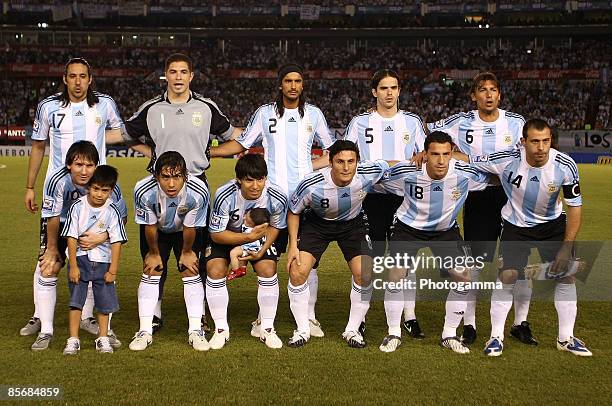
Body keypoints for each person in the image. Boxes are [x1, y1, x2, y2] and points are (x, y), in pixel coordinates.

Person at [210, 63, 335, 338]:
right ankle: (262, 320)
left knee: (306, 260)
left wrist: (310, 168)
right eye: (288, 81)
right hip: (269, 200)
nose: (293, 85)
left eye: (298, 81)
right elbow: (242, 144)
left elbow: (333, 150)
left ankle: (309, 318)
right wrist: (209, 152)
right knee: (265, 257)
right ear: (281, 85)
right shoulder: (265, 113)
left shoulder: (314, 114)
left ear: (303, 85)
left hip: (306, 200)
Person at [122, 53, 240, 333]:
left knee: (195, 254)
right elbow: (127, 134)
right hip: (159, 186)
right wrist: (149, 153)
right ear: (166, 75)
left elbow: (234, 138)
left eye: (183, 72)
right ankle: (154, 311)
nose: (178, 77)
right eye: (172, 72)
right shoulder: (151, 108)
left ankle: (198, 315)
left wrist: (209, 153)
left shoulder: (206, 107)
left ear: (191, 76)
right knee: (154, 250)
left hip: (196, 188)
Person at [462, 119, 591, 357]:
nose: (541, 147)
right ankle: (496, 337)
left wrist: (567, 246)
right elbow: (467, 159)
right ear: (523, 142)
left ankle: (565, 338)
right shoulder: (506, 159)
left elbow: (575, 207)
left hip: (552, 225)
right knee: (508, 275)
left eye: (546, 141)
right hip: (515, 224)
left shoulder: (565, 165)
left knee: (567, 276)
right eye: (535, 141)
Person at [22, 57, 126, 337]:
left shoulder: (104, 104)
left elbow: (120, 131)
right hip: (59, 193)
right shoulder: (48, 107)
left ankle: (88, 317)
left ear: (90, 79)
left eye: (83, 76)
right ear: (64, 79)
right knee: (48, 254)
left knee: (93, 255)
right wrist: (30, 186)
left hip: (95, 193)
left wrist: (101, 141)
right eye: (72, 76)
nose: (78, 82)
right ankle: (38, 316)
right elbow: (38, 146)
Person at [426, 71, 532, 346]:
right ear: (474, 95)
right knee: (474, 264)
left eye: (493, 89)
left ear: (499, 94)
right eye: (482, 90)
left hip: (514, 197)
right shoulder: (461, 122)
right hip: (478, 198)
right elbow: (426, 129)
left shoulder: (516, 122)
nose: (488, 94)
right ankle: (469, 325)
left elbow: (527, 153)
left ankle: (520, 323)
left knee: (517, 264)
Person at [377, 132, 489, 353]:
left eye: (446, 154)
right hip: (408, 228)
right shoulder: (407, 172)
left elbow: (493, 176)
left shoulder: (465, 174)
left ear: (452, 153)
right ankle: (393, 333)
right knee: (395, 274)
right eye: (434, 154)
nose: (440, 160)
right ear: (424, 154)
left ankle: (449, 334)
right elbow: (378, 176)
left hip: (444, 231)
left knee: (463, 278)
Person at [344, 69, 427, 339]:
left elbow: (425, 153)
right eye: (383, 88)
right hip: (368, 198)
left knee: (405, 260)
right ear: (374, 92)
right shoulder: (360, 122)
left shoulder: (412, 122)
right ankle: (361, 317)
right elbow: (347, 152)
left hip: (403, 198)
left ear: (399, 91)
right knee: (367, 261)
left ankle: (409, 316)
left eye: (393, 88)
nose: (389, 93)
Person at [286, 140, 390, 348]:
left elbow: (390, 163)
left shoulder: (368, 172)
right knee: (297, 271)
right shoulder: (311, 183)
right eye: (340, 161)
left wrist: (418, 158)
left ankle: (352, 330)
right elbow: (294, 211)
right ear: (330, 163)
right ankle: (302, 329)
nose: (346, 167)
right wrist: (293, 246)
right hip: (317, 224)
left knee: (365, 272)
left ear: (357, 162)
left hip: (353, 225)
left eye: (351, 161)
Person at [29, 141, 127, 351]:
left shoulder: (107, 183)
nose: (84, 171)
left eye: (89, 165)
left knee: (102, 271)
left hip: (96, 232)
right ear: (68, 166)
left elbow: (122, 217)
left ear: (96, 166)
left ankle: (100, 327)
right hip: (60, 227)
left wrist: (101, 238)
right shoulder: (57, 180)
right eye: (78, 165)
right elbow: (52, 217)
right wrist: (52, 249)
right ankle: (46, 330)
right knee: (49, 267)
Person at [129, 151, 210, 352]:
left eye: (177, 177)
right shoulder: (143, 190)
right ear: (156, 177)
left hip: (186, 230)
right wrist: (154, 252)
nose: (171, 184)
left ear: (186, 176)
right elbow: (149, 226)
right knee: (152, 268)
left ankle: (195, 330)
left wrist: (187, 251)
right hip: (157, 229)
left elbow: (192, 227)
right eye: (165, 177)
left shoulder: (199, 191)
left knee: (189, 268)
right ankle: (145, 330)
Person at [205, 153, 287, 350]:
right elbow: (216, 234)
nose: (255, 186)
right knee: (215, 269)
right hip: (228, 237)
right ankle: (221, 330)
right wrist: (248, 238)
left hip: (259, 240)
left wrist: (262, 250)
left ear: (266, 178)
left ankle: (266, 328)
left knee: (268, 269)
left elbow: (276, 227)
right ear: (239, 180)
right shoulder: (225, 194)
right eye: (249, 180)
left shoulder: (277, 196)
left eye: (260, 179)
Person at [61, 165, 127, 355]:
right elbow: (71, 237)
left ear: (111, 191)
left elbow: (116, 241)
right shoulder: (77, 207)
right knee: (76, 302)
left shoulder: (112, 211)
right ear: (89, 186)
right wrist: (72, 265)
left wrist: (113, 270)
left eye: (105, 190)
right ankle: (73, 339)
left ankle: (103, 337)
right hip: (80, 261)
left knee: (104, 304)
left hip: (103, 262)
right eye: (96, 188)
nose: (99, 194)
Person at [228, 208, 271, 281]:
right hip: (253, 247)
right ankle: (242, 269)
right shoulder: (254, 225)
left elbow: (265, 224)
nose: (244, 218)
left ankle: (236, 270)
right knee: (241, 255)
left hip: (250, 248)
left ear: (253, 225)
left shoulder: (254, 229)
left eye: (246, 220)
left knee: (233, 253)